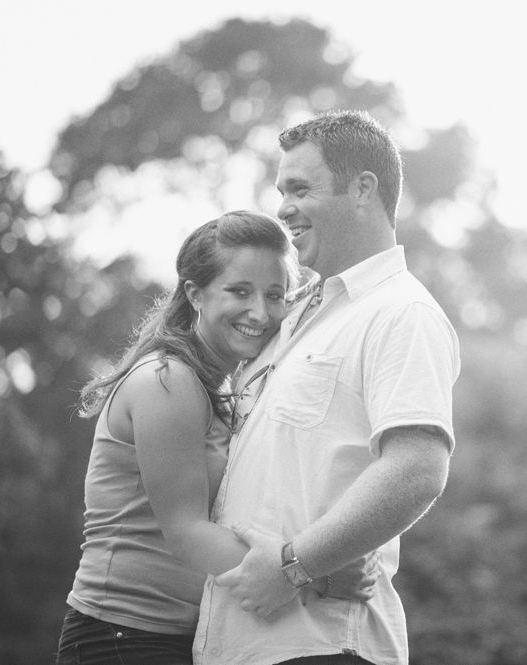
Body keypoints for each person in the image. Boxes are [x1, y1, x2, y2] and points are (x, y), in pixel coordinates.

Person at [193, 111, 461, 665]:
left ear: (363, 188)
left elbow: (417, 469)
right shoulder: (291, 314)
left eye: (300, 188)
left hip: (324, 645)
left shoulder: (401, 312)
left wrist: (295, 563)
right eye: (281, 190)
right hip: (242, 645)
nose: (284, 207)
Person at [56, 211, 377, 665]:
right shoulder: (168, 381)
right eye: (239, 291)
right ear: (195, 294)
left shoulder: (222, 386)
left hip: (181, 639)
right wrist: (315, 571)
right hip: (124, 637)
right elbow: (187, 534)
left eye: (275, 295)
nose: (260, 313)